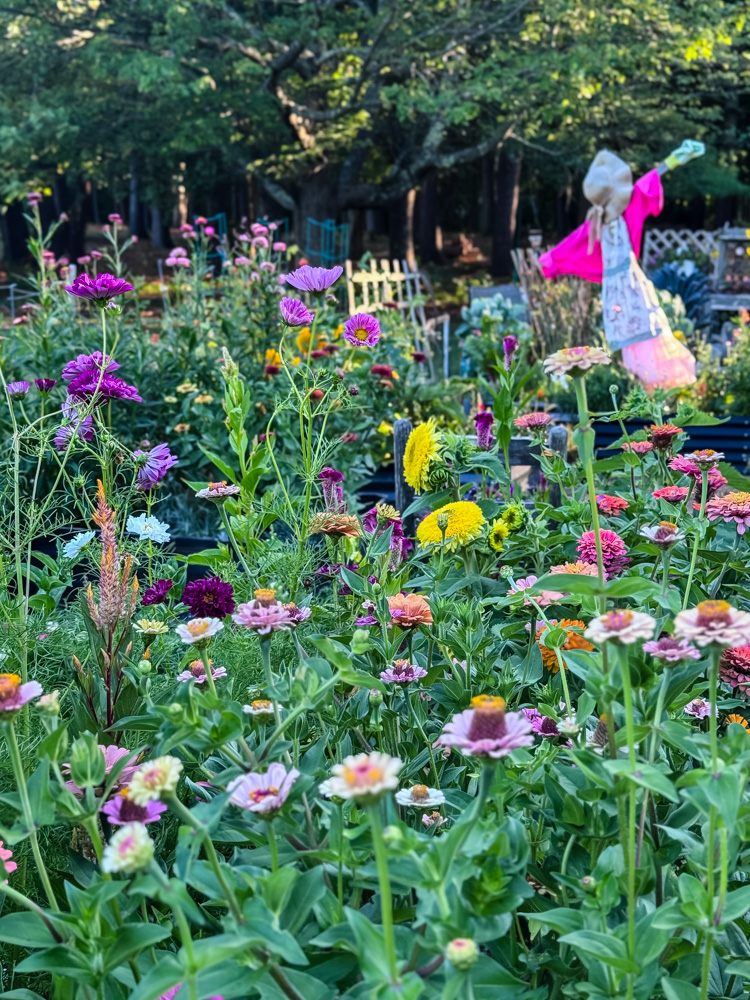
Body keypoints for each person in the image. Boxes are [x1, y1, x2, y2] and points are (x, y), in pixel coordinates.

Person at [539, 140, 705, 391]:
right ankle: (645, 387)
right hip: (625, 289)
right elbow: (572, 245)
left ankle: (652, 387)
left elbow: (569, 246)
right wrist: (671, 161)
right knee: (639, 339)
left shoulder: (608, 219)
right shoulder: (599, 223)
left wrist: (672, 161)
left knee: (647, 333)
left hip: (624, 287)